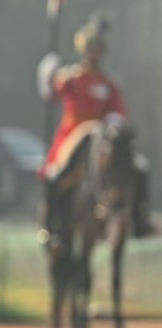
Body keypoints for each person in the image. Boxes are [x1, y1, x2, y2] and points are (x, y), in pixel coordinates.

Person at [38, 13, 154, 240]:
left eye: (98, 49)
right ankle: (51, 225)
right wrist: (48, 71)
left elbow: (119, 111)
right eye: (91, 48)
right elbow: (50, 92)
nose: (94, 54)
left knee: (140, 168)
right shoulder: (71, 78)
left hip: (101, 137)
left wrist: (113, 122)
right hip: (73, 135)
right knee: (54, 175)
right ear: (84, 50)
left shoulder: (109, 83)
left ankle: (139, 220)